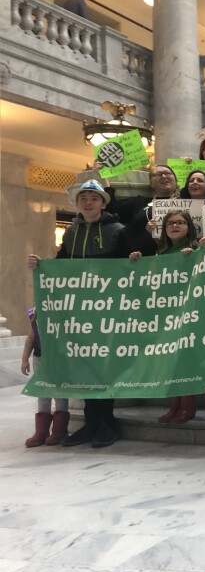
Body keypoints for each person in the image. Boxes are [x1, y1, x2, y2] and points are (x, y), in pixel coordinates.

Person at [27, 180, 126, 448]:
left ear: (103, 203)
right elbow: (61, 266)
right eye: (84, 198)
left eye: (94, 198)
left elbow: (128, 267)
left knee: (104, 366)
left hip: (108, 309)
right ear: (77, 203)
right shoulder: (71, 233)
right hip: (80, 312)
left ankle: (107, 423)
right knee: (86, 366)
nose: (88, 202)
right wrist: (40, 265)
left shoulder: (118, 231)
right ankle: (90, 423)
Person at [129, 210, 200, 425]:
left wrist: (194, 258)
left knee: (183, 360)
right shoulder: (159, 255)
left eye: (180, 222)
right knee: (168, 360)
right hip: (164, 314)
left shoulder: (195, 250)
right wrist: (139, 262)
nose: (175, 226)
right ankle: (175, 404)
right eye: (170, 223)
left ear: (189, 227)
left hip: (187, 313)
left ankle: (187, 404)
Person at [106, 163, 179, 256]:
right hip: (138, 261)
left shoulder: (188, 204)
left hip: (175, 260)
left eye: (167, 173)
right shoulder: (139, 203)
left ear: (175, 180)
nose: (164, 176)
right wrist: (102, 175)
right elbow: (111, 207)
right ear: (151, 183)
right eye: (157, 174)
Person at [21, 307, 69, 447]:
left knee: (59, 392)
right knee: (42, 392)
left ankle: (60, 430)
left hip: (57, 359)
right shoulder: (34, 313)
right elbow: (31, 338)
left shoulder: (59, 310)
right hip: (39, 357)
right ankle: (41, 431)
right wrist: (25, 360)